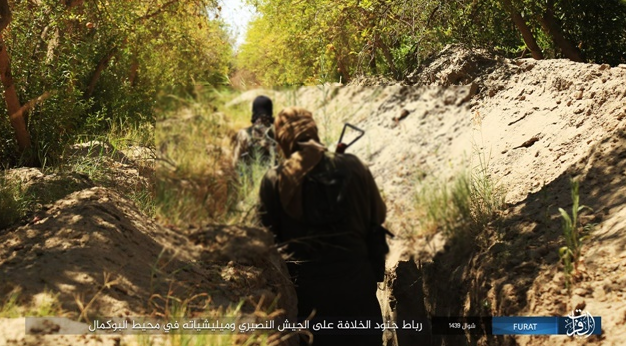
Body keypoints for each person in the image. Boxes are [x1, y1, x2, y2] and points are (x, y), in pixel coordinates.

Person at [257, 107, 387, 346]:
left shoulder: (274, 180)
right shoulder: (353, 166)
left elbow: (266, 240)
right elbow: (378, 216)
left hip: (310, 304)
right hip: (359, 294)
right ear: (313, 132)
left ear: (283, 140)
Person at [232, 95, 276, 168]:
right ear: (270, 111)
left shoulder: (244, 134)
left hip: (252, 177)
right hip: (275, 177)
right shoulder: (278, 132)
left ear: (254, 111)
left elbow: (236, 163)